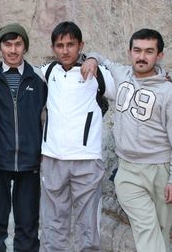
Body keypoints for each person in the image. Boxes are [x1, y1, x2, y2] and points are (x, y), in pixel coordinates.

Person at [82, 28, 172, 252]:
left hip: (161, 170)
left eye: (149, 51)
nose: (142, 56)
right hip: (128, 171)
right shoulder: (121, 74)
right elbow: (101, 57)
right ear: (130, 52)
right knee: (146, 228)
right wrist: (92, 58)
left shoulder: (169, 93)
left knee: (161, 232)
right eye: (137, 50)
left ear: (159, 55)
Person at [39, 21, 115, 252]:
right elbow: (14, 73)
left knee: (88, 228)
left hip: (87, 161)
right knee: (53, 225)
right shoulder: (47, 72)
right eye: (60, 45)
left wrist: (95, 58)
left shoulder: (99, 74)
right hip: (52, 159)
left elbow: (129, 82)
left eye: (71, 44)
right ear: (53, 48)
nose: (65, 50)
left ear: (81, 45)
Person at [0, 23, 47, 252]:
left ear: (25, 47)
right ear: (0, 47)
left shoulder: (39, 77)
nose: (13, 50)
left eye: (18, 44)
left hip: (30, 163)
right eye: (7, 44)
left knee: (28, 226)